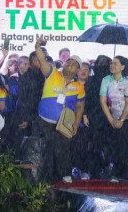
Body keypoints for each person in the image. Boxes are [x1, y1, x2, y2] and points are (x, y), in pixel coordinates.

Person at [33, 38, 85, 182]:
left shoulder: (79, 87)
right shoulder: (52, 73)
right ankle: (44, 179)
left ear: (78, 71)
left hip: (63, 124)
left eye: (74, 65)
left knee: (62, 150)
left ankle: (65, 175)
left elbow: (80, 106)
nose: (70, 65)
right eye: (68, 61)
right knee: (45, 151)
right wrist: (38, 47)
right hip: (43, 121)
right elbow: (42, 60)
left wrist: (76, 123)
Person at [100, 56, 128, 181]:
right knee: (114, 144)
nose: (112, 65)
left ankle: (121, 171)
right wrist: (111, 120)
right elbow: (103, 101)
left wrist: (121, 120)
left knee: (123, 144)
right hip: (112, 116)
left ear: (122, 67)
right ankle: (118, 170)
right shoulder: (106, 80)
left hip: (127, 117)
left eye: (115, 63)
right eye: (111, 63)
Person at [12, 51, 44, 156]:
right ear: (31, 62)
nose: (40, 62)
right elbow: (24, 100)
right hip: (29, 117)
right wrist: (27, 119)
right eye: (37, 60)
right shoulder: (26, 78)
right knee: (27, 149)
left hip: (41, 117)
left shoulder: (43, 76)